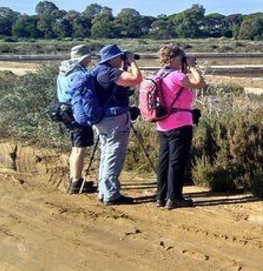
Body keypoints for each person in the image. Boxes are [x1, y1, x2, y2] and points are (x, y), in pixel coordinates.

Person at [154, 44, 206, 209]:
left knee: (164, 160)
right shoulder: (176, 76)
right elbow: (200, 83)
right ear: (175, 59)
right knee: (177, 161)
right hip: (179, 124)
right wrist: (192, 66)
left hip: (163, 123)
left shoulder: (160, 74)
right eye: (182, 58)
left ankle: (161, 197)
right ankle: (174, 197)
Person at [93, 43, 142, 205]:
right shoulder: (110, 73)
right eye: (120, 57)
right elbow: (136, 79)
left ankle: (104, 191)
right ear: (114, 58)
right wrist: (132, 62)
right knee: (114, 155)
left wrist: (125, 64)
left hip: (103, 119)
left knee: (106, 154)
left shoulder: (98, 71)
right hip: (114, 119)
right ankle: (111, 194)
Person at [56, 44, 96, 194]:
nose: (90, 60)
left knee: (75, 147)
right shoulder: (78, 73)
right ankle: (76, 182)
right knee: (80, 148)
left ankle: (74, 177)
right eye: (89, 57)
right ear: (84, 57)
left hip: (65, 111)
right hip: (77, 112)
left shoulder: (63, 71)